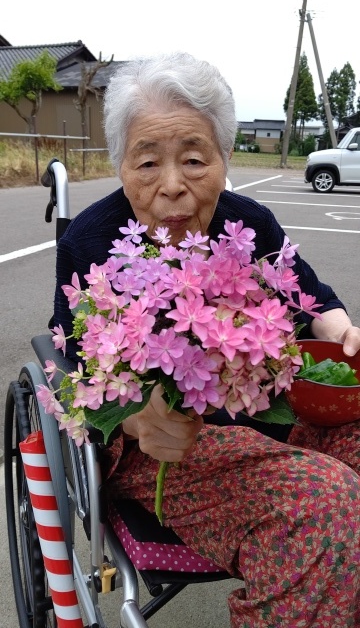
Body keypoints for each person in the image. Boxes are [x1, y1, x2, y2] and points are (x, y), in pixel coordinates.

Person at [54, 52, 360, 627]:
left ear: (224, 160)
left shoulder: (250, 222)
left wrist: (340, 328)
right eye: (147, 162)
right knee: (322, 504)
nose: (171, 186)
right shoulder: (93, 239)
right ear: (122, 165)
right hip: (165, 443)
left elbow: (311, 296)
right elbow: (77, 368)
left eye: (194, 159)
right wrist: (132, 416)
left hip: (258, 412)